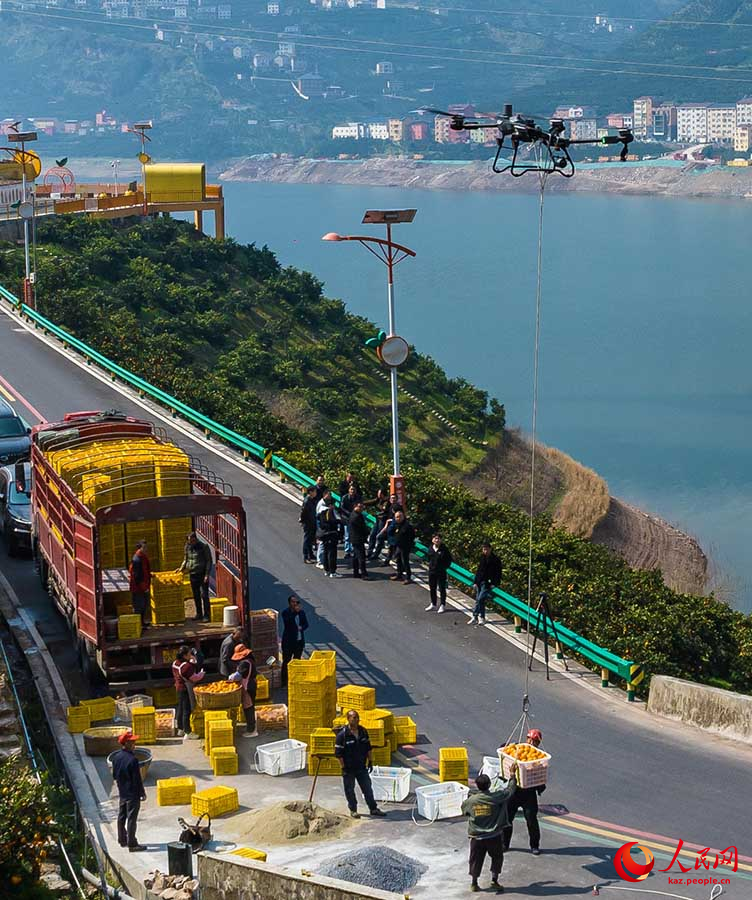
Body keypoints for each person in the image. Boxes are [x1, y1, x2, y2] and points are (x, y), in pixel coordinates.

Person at [461, 768, 518, 893]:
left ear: (477, 786)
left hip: (477, 838)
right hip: (494, 836)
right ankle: (494, 880)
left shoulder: (471, 801)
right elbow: (509, 791)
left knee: (475, 860)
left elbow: (464, 811)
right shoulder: (496, 797)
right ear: (489, 785)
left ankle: (474, 883)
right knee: (497, 857)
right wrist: (513, 775)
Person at [334, 710, 387, 819]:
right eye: (353, 717)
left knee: (367, 788)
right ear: (348, 719)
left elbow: (368, 748)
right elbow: (338, 754)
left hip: (361, 767)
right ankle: (353, 810)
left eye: (357, 717)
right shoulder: (342, 735)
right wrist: (343, 767)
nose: (356, 719)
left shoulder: (363, 731)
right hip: (348, 769)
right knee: (350, 790)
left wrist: (370, 761)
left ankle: (373, 808)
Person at [502, 728, 544, 855]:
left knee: (531, 820)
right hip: (514, 791)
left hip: (529, 793)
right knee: (507, 819)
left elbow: (542, 776)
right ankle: (505, 843)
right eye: (530, 739)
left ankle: (534, 845)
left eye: (535, 741)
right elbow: (504, 749)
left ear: (538, 743)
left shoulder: (540, 757)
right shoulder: (518, 749)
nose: (531, 742)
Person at [111, 731, 147, 852]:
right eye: (132, 742)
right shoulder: (133, 760)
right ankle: (132, 843)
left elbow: (115, 775)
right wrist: (142, 793)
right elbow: (137, 780)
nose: (134, 744)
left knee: (122, 817)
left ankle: (122, 839)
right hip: (132, 794)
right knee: (132, 818)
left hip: (123, 793)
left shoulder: (116, 758)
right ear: (126, 743)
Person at [172, 645, 204, 738]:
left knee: (180, 707)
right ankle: (188, 732)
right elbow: (194, 678)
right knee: (187, 709)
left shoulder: (175, 663)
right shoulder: (185, 666)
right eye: (189, 653)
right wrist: (201, 674)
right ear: (185, 656)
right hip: (184, 688)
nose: (191, 655)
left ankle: (180, 729)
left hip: (178, 687)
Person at [180, 532, 212, 622]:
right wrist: (181, 569)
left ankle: (207, 615)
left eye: (193, 540)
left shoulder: (203, 547)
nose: (192, 542)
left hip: (202, 573)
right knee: (196, 595)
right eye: (190, 541)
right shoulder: (187, 547)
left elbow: (209, 561)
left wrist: (207, 574)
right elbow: (185, 559)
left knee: (204, 595)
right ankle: (199, 613)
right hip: (193, 573)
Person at [469, 541, 502, 626]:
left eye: (487, 549)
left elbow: (498, 572)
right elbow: (479, 571)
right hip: (480, 581)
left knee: (480, 599)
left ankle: (480, 616)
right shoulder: (482, 558)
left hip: (488, 582)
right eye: (484, 549)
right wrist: (475, 582)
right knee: (478, 600)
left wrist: (495, 583)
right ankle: (476, 617)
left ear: (490, 549)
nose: (485, 551)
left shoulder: (495, 560)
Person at [229, 646, 258, 737]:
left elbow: (237, 676)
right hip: (252, 685)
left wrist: (230, 677)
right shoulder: (250, 661)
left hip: (247, 687)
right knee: (250, 706)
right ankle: (251, 726)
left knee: (248, 707)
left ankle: (251, 730)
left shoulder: (244, 664)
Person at [281, 595, 309, 686]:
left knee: (297, 661)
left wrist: (302, 627)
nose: (295, 604)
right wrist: (294, 613)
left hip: (298, 641)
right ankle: (284, 681)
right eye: (293, 602)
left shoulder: (301, 613)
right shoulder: (285, 612)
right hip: (288, 642)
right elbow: (288, 622)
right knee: (287, 661)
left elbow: (306, 624)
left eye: (296, 602)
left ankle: (295, 680)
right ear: (289, 603)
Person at [386, 509, 415, 585]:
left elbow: (411, 536)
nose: (398, 518)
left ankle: (408, 577)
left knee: (405, 561)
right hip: (398, 545)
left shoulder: (407, 526)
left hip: (405, 546)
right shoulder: (395, 524)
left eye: (399, 517)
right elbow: (390, 532)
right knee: (398, 560)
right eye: (396, 517)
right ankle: (399, 574)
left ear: (403, 517)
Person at [426, 533, 453, 613]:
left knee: (442, 588)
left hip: (441, 572)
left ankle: (442, 605)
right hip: (432, 571)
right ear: (432, 540)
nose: (437, 540)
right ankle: (433, 603)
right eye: (435, 538)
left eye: (438, 538)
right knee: (432, 588)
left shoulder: (444, 549)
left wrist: (444, 567)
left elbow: (449, 560)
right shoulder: (430, 548)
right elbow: (428, 558)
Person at [128, 540, 151, 629]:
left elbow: (144, 571)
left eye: (146, 547)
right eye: (144, 547)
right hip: (138, 588)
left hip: (142, 585)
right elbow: (137, 576)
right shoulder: (137, 559)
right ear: (140, 548)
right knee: (139, 606)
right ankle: (138, 625)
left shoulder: (142, 557)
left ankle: (142, 623)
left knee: (143, 605)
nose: (146, 549)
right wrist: (144, 588)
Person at [317, 495, 341, 578]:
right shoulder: (329, 512)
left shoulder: (321, 511)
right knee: (332, 554)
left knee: (326, 552)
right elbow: (331, 522)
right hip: (331, 534)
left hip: (324, 535)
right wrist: (338, 521)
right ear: (330, 505)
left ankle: (327, 570)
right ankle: (332, 571)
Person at [348, 500, 370, 579]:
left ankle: (356, 572)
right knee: (361, 557)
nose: (361, 509)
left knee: (356, 556)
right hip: (358, 538)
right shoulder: (356, 517)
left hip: (355, 538)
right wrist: (367, 531)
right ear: (355, 506)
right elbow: (362, 528)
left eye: (362, 507)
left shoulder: (355, 514)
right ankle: (364, 574)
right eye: (360, 507)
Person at [339, 483, 360, 558]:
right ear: (348, 490)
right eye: (351, 489)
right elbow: (341, 507)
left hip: (355, 519)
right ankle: (347, 551)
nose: (352, 491)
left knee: (354, 535)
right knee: (347, 535)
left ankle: (354, 550)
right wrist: (349, 513)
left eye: (354, 489)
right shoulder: (345, 497)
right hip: (346, 518)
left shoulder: (358, 498)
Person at [314, 489, 333, 569]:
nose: (329, 497)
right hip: (321, 525)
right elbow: (320, 515)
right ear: (324, 495)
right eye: (328, 495)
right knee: (322, 543)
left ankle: (323, 560)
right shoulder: (321, 504)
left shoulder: (329, 501)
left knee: (324, 544)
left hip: (325, 524)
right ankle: (319, 561)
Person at [299, 486, 318, 564]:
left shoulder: (312, 500)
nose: (316, 493)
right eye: (314, 491)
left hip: (312, 522)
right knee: (307, 540)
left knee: (311, 539)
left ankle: (311, 554)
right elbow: (303, 513)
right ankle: (306, 556)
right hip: (308, 523)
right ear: (310, 492)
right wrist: (303, 521)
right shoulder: (307, 501)